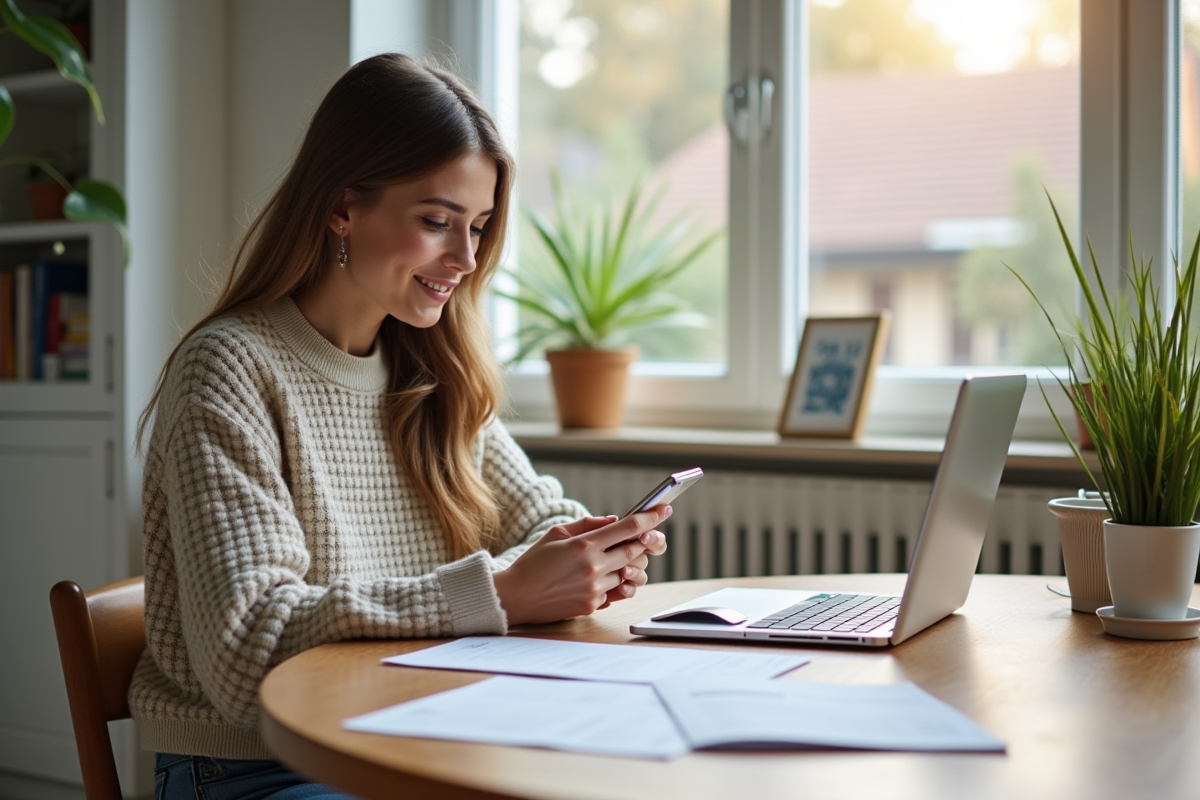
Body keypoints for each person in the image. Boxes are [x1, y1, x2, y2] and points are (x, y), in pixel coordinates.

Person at [129, 53, 669, 799]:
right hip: (253, 766)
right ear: (341, 206)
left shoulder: (429, 368)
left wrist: (592, 554)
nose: (466, 258)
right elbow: (249, 648)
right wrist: (505, 592)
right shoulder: (230, 369)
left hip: (418, 730)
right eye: (436, 221)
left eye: (478, 227)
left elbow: (541, 517)